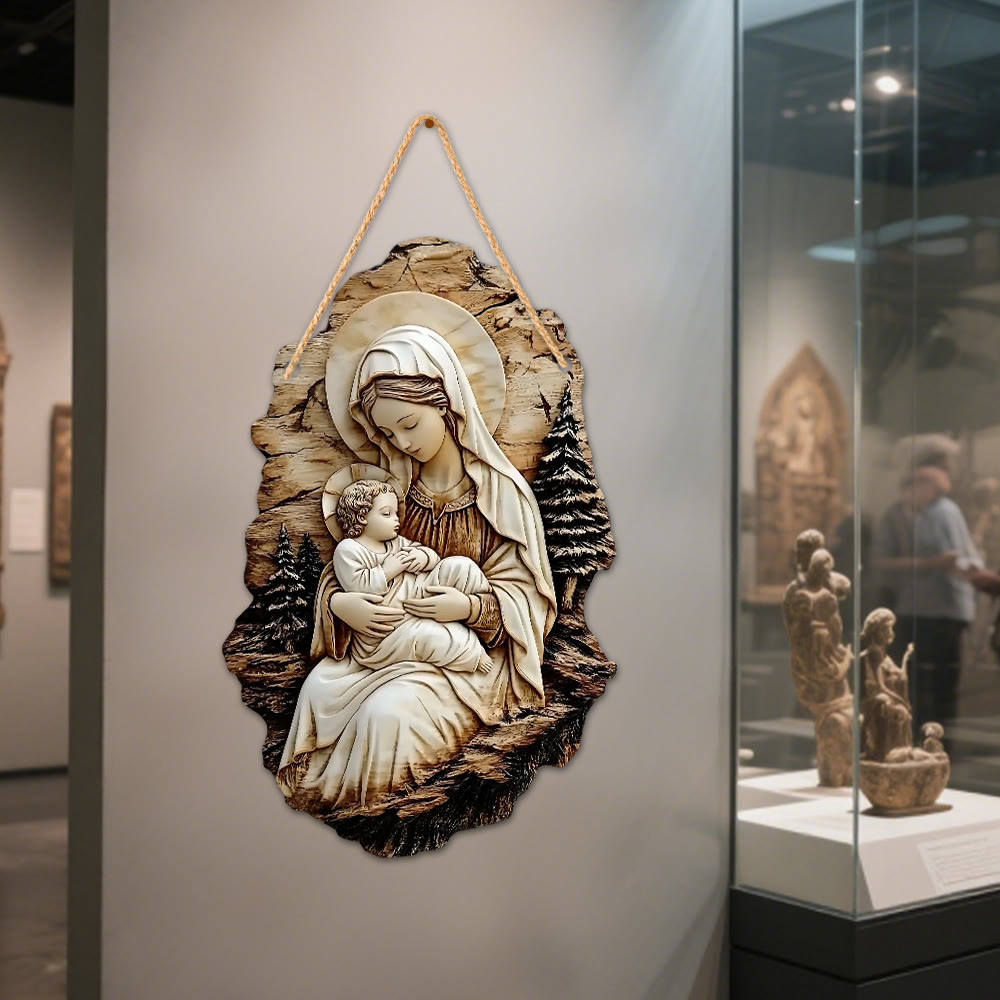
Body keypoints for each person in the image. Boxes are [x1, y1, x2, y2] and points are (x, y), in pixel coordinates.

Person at [278, 325, 557, 809]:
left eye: (409, 424)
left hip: (469, 661)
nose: (402, 442)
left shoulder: (500, 496)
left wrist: (468, 608)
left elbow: (528, 600)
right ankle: (321, 798)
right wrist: (341, 605)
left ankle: (371, 813)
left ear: (445, 403)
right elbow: (350, 563)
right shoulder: (390, 493)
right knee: (318, 687)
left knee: (386, 717)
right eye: (388, 433)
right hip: (388, 641)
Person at [331, 479, 493, 674]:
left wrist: (423, 557)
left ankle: (482, 607)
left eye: (396, 513)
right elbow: (358, 587)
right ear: (362, 516)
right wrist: (388, 569)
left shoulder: (395, 542)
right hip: (387, 631)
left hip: (415, 596)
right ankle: (472, 655)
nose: (396, 520)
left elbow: (431, 557)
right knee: (433, 635)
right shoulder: (348, 550)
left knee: (460, 566)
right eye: (386, 514)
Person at [872, 463, 982, 726]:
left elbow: (959, 558)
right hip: (921, 608)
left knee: (937, 684)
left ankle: (935, 738)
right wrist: (935, 563)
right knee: (920, 682)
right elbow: (881, 561)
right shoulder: (907, 514)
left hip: (941, 608)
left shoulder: (942, 511)